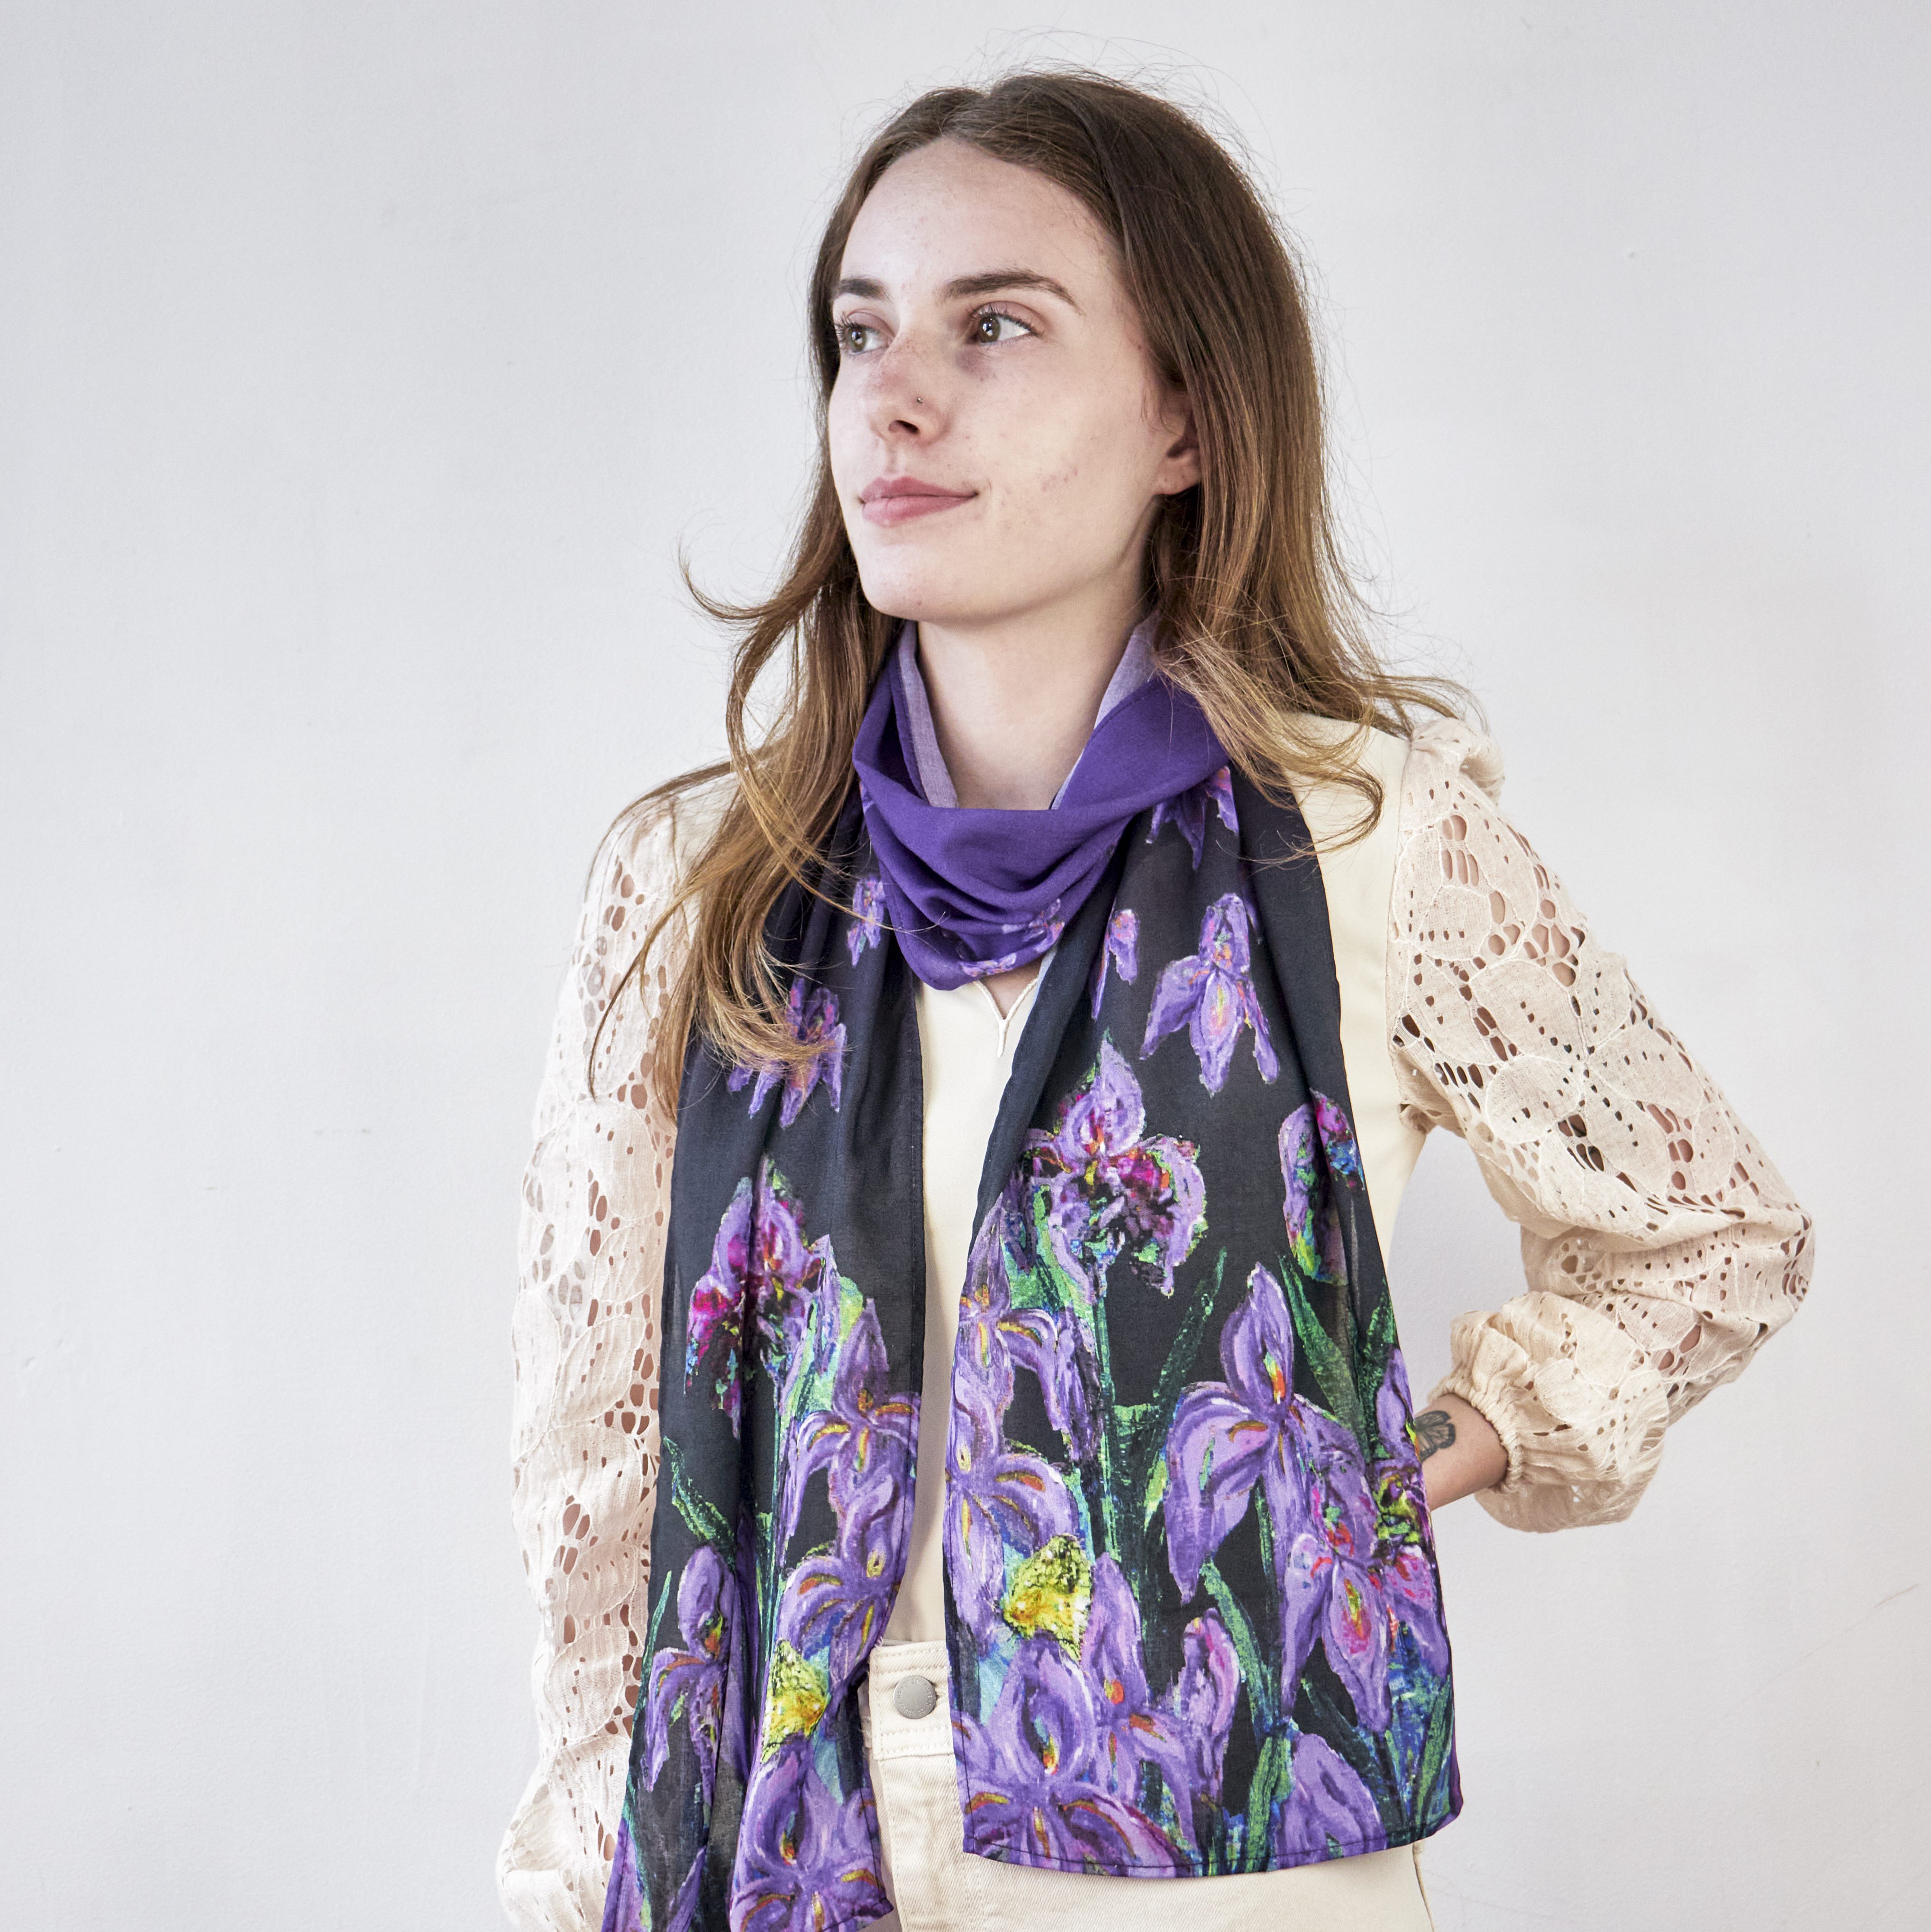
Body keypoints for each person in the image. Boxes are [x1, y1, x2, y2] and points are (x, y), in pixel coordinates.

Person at [497, 70, 1812, 1932]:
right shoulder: (698, 878)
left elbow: (1708, 1238)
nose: (894, 396)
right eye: (860, 333)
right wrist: (590, 1850)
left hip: (1226, 1857)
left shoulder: (1364, 842)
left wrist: (1392, 1467)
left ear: (1182, 418)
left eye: (995, 326)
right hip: (791, 1839)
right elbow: (606, 1438)